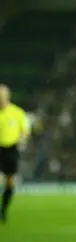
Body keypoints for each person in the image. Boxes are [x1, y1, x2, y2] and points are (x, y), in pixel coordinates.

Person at [0, 84, 30, 223]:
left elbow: (25, 130)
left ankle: (3, 210)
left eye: (2, 95)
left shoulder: (17, 113)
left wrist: (23, 139)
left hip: (11, 149)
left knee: (10, 182)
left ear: (7, 96)